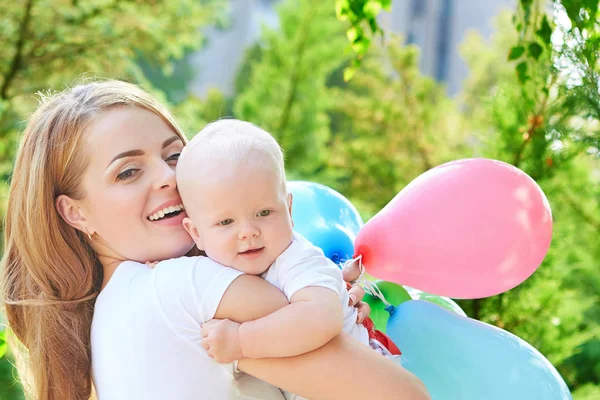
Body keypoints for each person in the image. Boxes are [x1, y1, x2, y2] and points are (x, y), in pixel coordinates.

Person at [0, 80, 430, 400]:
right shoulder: (188, 287)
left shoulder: (106, 317)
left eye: (174, 156)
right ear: (76, 212)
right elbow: (404, 394)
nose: (169, 177)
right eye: (128, 172)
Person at [176, 119, 402, 381]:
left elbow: (322, 316)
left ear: (289, 210)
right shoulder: (209, 270)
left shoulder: (298, 259)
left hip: (371, 379)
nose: (248, 231)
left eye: (264, 212)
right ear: (196, 234)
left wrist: (241, 341)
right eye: (226, 222)